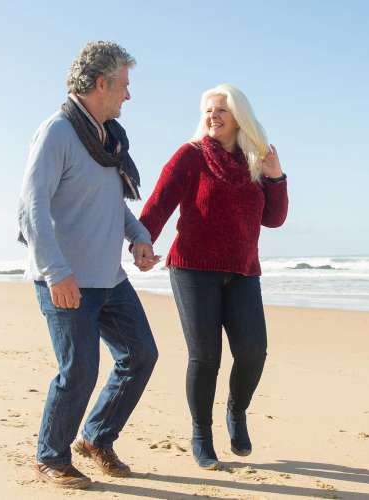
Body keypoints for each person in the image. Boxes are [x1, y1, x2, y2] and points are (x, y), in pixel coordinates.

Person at [17, 41, 161, 489]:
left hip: (108, 277)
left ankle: (96, 437)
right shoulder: (58, 131)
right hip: (66, 278)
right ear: (101, 83)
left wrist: (138, 237)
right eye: (124, 85)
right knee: (79, 369)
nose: (128, 95)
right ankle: (51, 456)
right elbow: (31, 207)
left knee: (140, 355)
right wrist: (56, 271)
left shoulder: (109, 140)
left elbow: (110, 205)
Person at [139, 83, 289, 469]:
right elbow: (159, 203)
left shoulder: (255, 158)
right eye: (208, 110)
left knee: (254, 352)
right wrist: (141, 243)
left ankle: (236, 414)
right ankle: (201, 434)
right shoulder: (189, 157)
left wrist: (276, 177)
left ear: (239, 116)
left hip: (242, 271)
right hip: (192, 268)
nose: (213, 116)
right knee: (206, 357)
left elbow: (273, 219)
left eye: (221, 109)